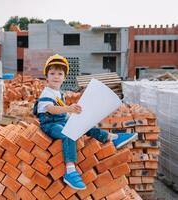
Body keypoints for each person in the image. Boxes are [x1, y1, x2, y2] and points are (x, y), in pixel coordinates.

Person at [33, 54, 137, 190]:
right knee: (68, 134)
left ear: (64, 77)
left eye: (59, 73)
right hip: (50, 125)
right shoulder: (47, 93)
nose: (56, 76)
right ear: (47, 77)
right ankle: (70, 170)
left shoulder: (59, 93)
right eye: (52, 73)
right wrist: (68, 108)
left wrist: (71, 113)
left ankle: (111, 138)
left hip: (60, 120)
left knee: (84, 125)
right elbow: (51, 109)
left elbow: (61, 111)